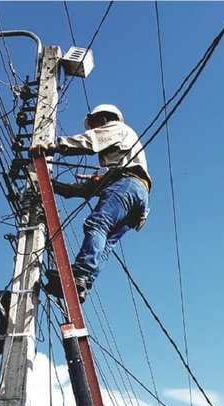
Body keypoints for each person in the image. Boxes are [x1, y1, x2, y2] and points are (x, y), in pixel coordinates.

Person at [33, 104, 151, 302]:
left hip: (128, 184)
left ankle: (80, 273)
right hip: (139, 196)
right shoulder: (120, 158)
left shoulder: (117, 128)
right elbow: (88, 190)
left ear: (105, 118)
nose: (94, 129)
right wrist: (54, 186)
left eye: (95, 124)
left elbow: (90, 142)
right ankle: (84, 280)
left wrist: (54, 146)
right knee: (106, 244)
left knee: (97, 224)